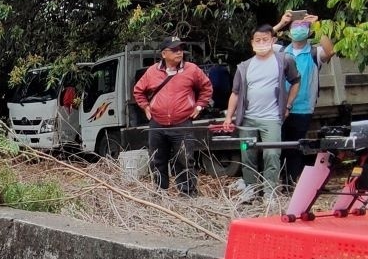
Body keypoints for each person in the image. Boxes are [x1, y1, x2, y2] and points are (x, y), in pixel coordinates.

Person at [223, 25, 301, 200]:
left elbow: (296, 81)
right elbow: (235, 93)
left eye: (265, 39)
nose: (261, 43)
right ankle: (250, 189)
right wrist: (229, 117)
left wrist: (288, 105)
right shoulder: (244, 66)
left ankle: (270, 193)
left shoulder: (284, 61)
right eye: (257, 40)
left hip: (272, 119)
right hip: (247, 120)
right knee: (246, 152)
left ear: (273, 40)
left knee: (272, 154)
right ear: (252, 43)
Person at [131, 36, 214, 195]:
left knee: (184, 160)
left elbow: (206, 87)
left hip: (182, 123)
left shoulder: (191, 69)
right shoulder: (152, 71)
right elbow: (138, 91)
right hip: (157, 124)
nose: (179, 52)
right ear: (164, 54)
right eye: (174, 50)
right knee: (157, 160)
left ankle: (187, 194)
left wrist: (199, 105)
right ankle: (160, 193)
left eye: (181, 49)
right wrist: (146, 107)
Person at [272, 11, 335, 183]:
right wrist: (281, 23)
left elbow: (330, 51)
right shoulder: (281, 51)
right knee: (277, 147)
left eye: (303, 27)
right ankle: (279, 181)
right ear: (289, 31)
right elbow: (261, 41)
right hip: (279, 108)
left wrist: (318, 25)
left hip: (303, 109)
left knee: (295, 147)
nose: (298, 29)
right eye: (295, 26)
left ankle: (291, 183)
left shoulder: (315, 53)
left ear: (309, 32)